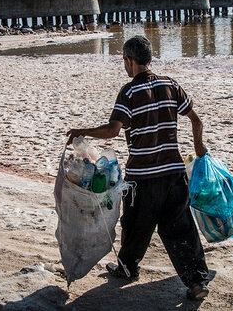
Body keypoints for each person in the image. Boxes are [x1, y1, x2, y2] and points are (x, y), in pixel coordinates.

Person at [66, 36, 211, 301]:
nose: (124, 65)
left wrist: (81, 131)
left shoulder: (129, 92)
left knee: (134, 225)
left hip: (143, 177)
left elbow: (112, 130)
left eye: (124, 61)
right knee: (181, 228)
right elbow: (196, 119)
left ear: (130, 61)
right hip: (174, 174)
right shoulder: (171, 85)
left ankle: (128, 268)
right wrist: (199, 148)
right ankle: (196, 282)